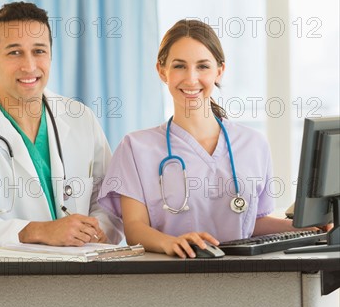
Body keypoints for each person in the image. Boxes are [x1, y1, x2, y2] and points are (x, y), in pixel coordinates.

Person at [98, 19, 317, 259]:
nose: (191, 79)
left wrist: (306, 229)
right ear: (162, 71)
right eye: (180, 66)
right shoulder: (135, 148)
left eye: (203, 66)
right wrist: (171, 243)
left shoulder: (253, 144)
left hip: (248, 281)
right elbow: (134, 228)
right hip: (169, 278)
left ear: (219, 71)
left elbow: (252, 223)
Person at [0, 2, 123, 253]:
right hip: (0, 283)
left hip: (80, 279)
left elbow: (109, 198)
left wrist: (98, 228)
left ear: (50, 54)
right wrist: (35, 231)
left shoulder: (80, 118)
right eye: (14, 52)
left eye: (39, 51)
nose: (29, 66)